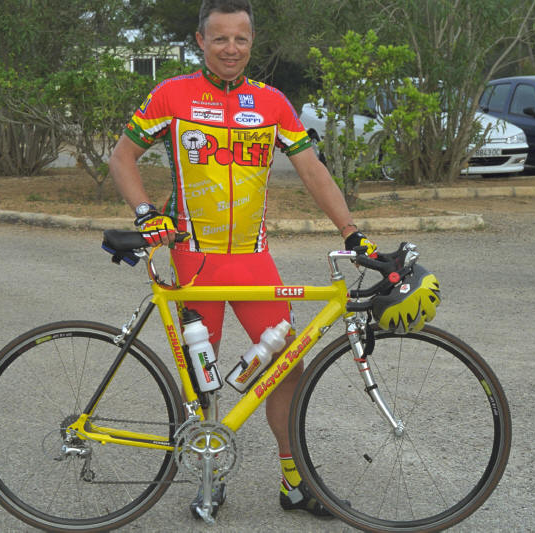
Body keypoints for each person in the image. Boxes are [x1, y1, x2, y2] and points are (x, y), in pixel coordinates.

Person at [109, 0, 378, 519]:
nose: (230, 49)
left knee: (287, 364)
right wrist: (145, 213)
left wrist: (351, 232)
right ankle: (209, 478)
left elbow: (312, 169)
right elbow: (123, 156)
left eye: (240, 39)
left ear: (252, 42)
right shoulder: (173, 95)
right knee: (202, 374)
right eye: (220, 38)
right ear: (200, 41)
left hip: (252, 259)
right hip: (195, 257)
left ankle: (295, 481)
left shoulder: (272, 103)